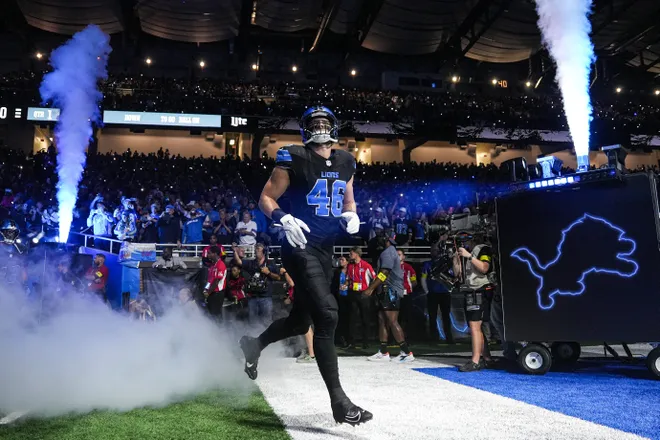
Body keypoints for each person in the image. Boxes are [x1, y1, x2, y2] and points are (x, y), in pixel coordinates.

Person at [239, 106, 372, 425]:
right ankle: (340, 402)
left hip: (324, 249)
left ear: (335, 126)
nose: (322, 126)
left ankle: (254, 345)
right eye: (315, 122)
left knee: (301, 322)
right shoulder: (293, 156)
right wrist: (283, 217)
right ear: (305, 128)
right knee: (327, 315)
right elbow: (266, 199)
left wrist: (352, 213)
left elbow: (348, 200)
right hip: (298, 245)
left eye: (326, 121)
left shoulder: (346, 160)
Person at [364, 231, 414, 363]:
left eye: (381, 238)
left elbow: (384, 273)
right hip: (387, 290)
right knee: (382, 319)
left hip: (390, 290)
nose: (378, 241)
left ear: (387, 240)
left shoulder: (388, 253)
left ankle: (406, 352)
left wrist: (371, 288)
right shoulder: (389, 252)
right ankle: (384, 351)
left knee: (392, 321)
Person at [453, 235, 495, 372]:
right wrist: (456, 259)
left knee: (475, 326)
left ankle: (475, 361)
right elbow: (458, 274)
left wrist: (469, 256)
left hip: (480, 290)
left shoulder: (483, 249)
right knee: (479, 328)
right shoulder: (468, 252)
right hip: (471, 291)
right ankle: (487, 358)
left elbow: (484, 268)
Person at [346, 247, 375, 349]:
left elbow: (375, 278)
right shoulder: (350, 266)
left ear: (357, 254)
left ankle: (365, 342)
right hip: (353, 293)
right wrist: (345, 284)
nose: (350, 255)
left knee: (365, 318)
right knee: (352, 318)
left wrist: (370, 290)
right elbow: (348, 279)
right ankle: (352, 342)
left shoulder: (366, 265)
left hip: (364, 294)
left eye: (351, 253)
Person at [203, 246, 228, 318]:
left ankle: (219, 329)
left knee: (216, 315)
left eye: (209, 253)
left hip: (217, 294)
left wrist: (208, 292)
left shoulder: (221, 264)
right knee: (210, 314)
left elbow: (216, 281)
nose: (207, 255)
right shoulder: (212, 266)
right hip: (211, 293)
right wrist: (205, 289)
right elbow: (209, 281)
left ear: (215, 254)